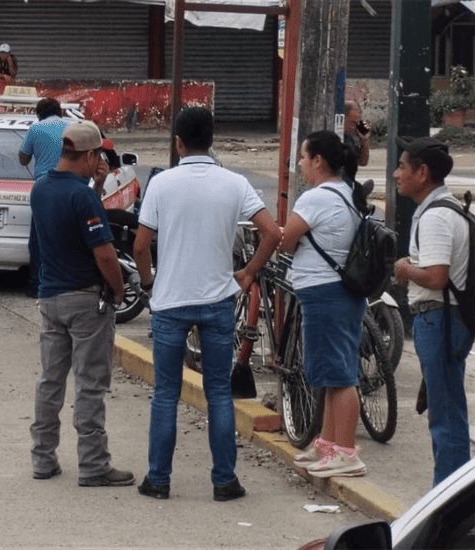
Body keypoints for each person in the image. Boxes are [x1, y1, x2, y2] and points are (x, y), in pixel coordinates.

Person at [133, 107, 280, 501]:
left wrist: (149, 282)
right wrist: (248, 272)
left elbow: (141, 245)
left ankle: (158, 480)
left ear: (177, 142)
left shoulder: (162, 185)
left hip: (170, 303)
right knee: (218, 392)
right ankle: (224, 481)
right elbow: (271, 232)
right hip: (218, 302)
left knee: (166, 393)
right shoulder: (234, 183)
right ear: (212, 139)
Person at [29, 119, 134, 488]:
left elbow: (70, 216)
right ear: (89, 155)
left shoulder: (40, 190)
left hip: (50, 297)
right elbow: (104, 253)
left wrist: (98, 184)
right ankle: (93, 464)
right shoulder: (82, 196)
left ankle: (43, 458)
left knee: (50, 381)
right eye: (98, 157)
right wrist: (119, 289)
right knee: (90, 384)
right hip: (86, 299)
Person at [279, 130, 368, 479]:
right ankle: (329, 445)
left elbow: (287, 241)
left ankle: (346, 452)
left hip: (325, 291)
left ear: (318, 160)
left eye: (303, 157)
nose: (301, 164)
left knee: (340, 375)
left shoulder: (316, 199)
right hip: (337, 291)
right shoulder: (346, 193)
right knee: (330, 373)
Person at [392, 136, 473, 486]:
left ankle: (448, 502)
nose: (396, 174)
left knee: (445, 415)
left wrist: (405, 269)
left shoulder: (436, 217)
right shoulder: (443, 210)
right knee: (449, 408)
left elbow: (437, 275)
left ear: (422, 173)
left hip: (438, 319)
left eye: (402, 167)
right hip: (447, 319)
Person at [19, 98, 69, 298]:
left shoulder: (35, 128)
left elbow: (23, 159)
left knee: (39, 238)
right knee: (68, 234)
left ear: (39, 114)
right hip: (69, 184)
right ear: (60, 111)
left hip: (44, 186)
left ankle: (37, 285)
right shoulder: (72, 127)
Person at [344, 100, 370, 167]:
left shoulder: (355, 134)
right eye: (357, 110)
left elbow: (363, 162)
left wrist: (365, 140)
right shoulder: (338, 134)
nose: (360, 112)